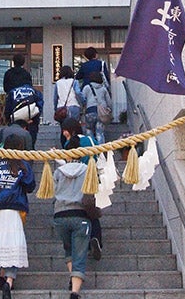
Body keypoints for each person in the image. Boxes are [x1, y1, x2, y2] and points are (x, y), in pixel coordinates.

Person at [0, 133, 36, 299]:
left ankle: (1, 275)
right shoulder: (21, 164)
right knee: (12, 245)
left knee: (0, 243)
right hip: (12, 210)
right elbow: (30, 185)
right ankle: (9, 280)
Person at [53, 125, 92, 299]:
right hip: (80, 215)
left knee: (68, 249)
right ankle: (75, 292)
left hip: (60, 215)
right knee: (80, 254)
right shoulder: (86, 170)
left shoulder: (58, 171)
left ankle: (72, 277)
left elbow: (53, 191)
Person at [59, 118, 103, 262]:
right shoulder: (90, 140)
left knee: (81, 213)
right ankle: (96, 238)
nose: (63, 133)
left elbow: (68, 163)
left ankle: (85, 244)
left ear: (70, 130)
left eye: (64, 130)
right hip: (92, 180)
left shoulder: (68, 144)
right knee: (92, 211)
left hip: (75, 183)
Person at [4, 83, 44, 148]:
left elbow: (8, 110)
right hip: (31, 122)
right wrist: (34, 119)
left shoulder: (13, 92)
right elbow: (39, 107)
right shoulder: (35, 91)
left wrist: (9, 120)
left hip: (16, 123)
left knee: (13, 146)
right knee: (30, 145)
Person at [81, 72, 110, 146]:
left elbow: (82, 100)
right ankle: (101, 152)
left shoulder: (87, 87)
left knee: (89, 130)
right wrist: (109, 109)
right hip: (101, 113)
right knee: (100, 132)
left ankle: (91, 149)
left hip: (90, 111)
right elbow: (109, 102)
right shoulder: (103, 89)